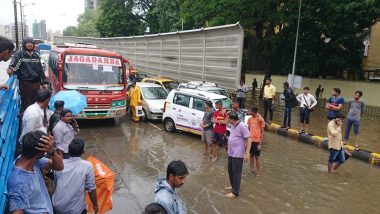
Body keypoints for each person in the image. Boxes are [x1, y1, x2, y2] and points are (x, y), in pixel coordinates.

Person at [7, 131, 63, 214]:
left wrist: (52, 152)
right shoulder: (19, 182)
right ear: (41, 152)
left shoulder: (34, 161)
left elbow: (59, 167)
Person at [53, 138, 99, 214]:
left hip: (57, 206)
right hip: (76, 210)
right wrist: (95, 205)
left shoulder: (60, 163)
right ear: (83, 151)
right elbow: (92, 189)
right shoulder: (87, 166)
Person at [8, 37, 45, 114]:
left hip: (36, 82)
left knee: (35, 101)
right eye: (28, 43)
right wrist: (11, 70)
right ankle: (24, 119)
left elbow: (40, 69)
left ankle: (35, 117)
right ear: (24, 44)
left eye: (31, 43)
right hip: (25, 83)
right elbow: (14, 67)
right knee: (26, 103)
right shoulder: (19, 54)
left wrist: (44, 81)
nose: (30, 44)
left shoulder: (36, 55)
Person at [224, 112, 251, 198]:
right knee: (230, 170)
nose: (227, 120)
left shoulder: (242, 126)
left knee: (236, 172)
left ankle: (235, 192)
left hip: (238, 153)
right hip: (231, 152)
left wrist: (247, 153)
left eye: (228, 118)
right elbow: (225, 123)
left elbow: (249, 139)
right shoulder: (233, 125)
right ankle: (233, 186)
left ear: (232, 119)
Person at [246, 107, 265, 176]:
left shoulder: (260, 120)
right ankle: (251, 169)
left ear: (254, 112)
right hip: (250, 140)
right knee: (251, 155)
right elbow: (248, 130)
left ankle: (258, 172)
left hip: (257, 141)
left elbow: (263, 132)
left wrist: (260, 143)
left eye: (250, 111)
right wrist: (246, 140)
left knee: (257, 157)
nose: (248, 112)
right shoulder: (249, 119)